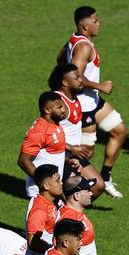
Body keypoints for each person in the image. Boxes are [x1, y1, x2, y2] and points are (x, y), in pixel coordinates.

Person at [60, 5, 127, 199]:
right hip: (83, 107)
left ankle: (105, 179)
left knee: (119, 131)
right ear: (84, 25)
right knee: (84, 154)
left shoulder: (75, 41)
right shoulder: (83, 47)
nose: (99, 24)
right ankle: (70, 197)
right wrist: (100, 86)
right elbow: (76, 77)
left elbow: (60, 60)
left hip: (94, 102)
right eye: (95, 21)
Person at [48, 63, 105, 195]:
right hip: (58, 155)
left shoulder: (74, 98)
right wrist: (70, 148)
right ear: (65, 82)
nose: (81, 80)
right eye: (77, 77)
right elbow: (47, 135)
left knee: (98, 185)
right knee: (71, 194)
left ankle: (71, 209)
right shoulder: (57, 104)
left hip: (72, 154)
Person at [18, 92, 68, 198]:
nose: (63, 110)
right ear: (47, 110)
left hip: (53, 186)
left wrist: (68, 159)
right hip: (42, 191)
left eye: (63, 106)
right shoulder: (39, 132)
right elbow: (23, 161)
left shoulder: (54, 124)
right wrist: (45, 182)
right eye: (59, 107)